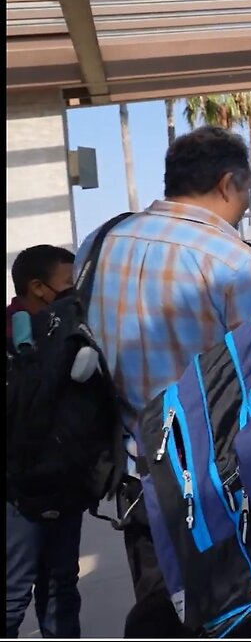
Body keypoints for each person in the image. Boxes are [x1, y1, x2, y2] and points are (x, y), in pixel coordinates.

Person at [75, 126, 251, 638]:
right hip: (216, 493)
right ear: (230, 183)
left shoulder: (99, 245)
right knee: (235, 614)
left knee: (159, 612)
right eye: (247, 191)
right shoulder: (233, 261)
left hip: (134, 480)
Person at [6, 245, 83, 639]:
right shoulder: (15, 337)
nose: (74, 295)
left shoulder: (67, 336)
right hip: (20, 493)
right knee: (12, 592)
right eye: (67, 285)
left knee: (60, 588)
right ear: (38, 288)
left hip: (63, 484)